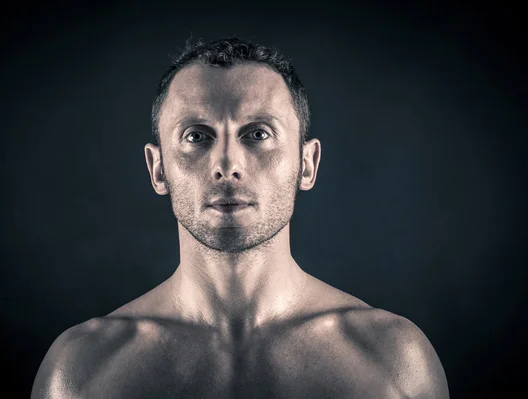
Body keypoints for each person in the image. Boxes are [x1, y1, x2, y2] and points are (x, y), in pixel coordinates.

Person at [31, 37, 449, 398]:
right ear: (158, 169)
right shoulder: (82, 372)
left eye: (258, 134)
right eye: (197, 136)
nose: (227, 164)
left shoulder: (394, 363)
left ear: (307, 163)